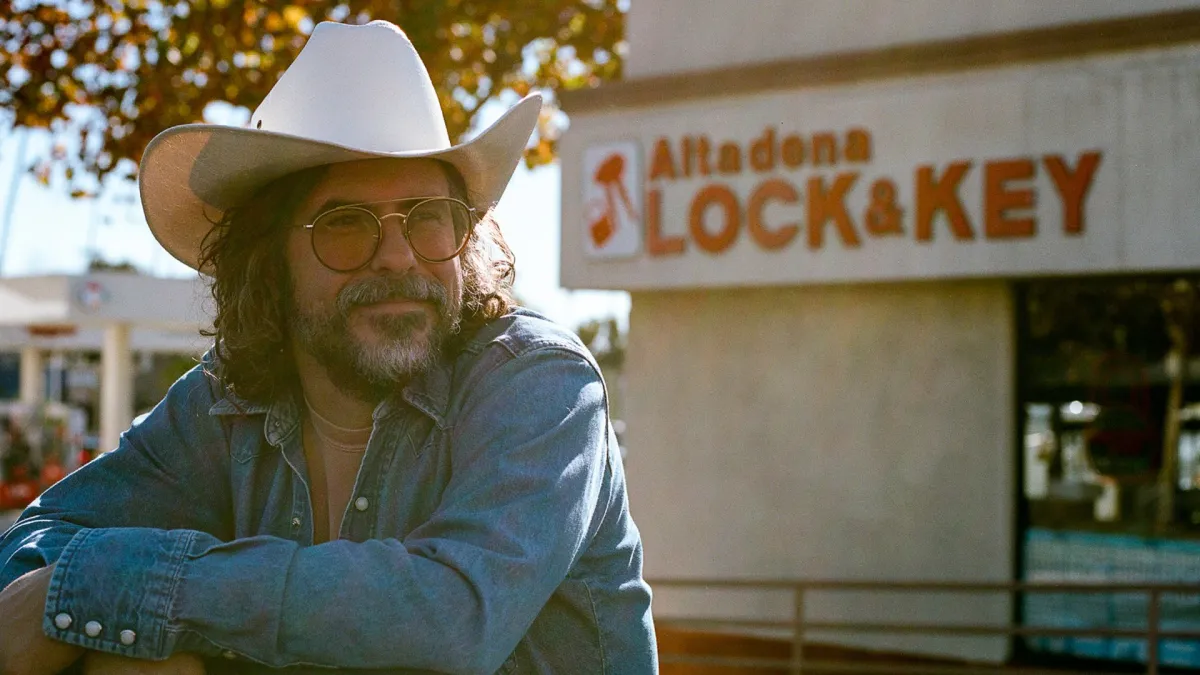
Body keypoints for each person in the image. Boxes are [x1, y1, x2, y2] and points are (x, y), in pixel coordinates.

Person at [0, 19, 657, 675]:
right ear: (269, 262)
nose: (398, 256)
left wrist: (114, 586)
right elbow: (29, 550)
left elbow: (451, 618)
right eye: (346, 223)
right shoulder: (224, 402)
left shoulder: (540, 382)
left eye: (428, 217)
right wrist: (85, 594)